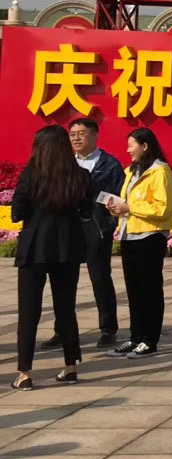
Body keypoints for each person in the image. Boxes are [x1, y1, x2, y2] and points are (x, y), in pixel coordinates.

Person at [12, 125, 94, 390]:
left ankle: (25, 373)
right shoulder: (80, 175)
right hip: (67, 248)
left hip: (34, 248)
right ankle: (70, 367)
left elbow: (17, 211)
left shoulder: (31, 175)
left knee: (29, 312)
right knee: (66, 309)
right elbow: (86, 211)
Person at [50, 119, 124, 349]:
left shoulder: (109, 164)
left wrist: (108, 219)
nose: (76, 138)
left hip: (96, 226)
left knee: (100, 277)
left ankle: (108, 329)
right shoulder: (63, 162)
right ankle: (62, 329)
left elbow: (119, 194)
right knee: (63, 280)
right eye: (72, 134)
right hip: (68, 227)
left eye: (81, 133)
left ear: (95, 135)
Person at [105, 127, 172, 358]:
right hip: (129, 235)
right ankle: (136, 337)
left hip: (150, 237)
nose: (127, 150)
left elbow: (163, 207)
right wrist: (117, 207)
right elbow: (127, 202)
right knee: (134, 292)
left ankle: (150, 340)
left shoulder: (160, 171)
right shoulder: (132, 171)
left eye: (131, 145)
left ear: (145, 146)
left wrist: (129, 207)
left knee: (150, 291)